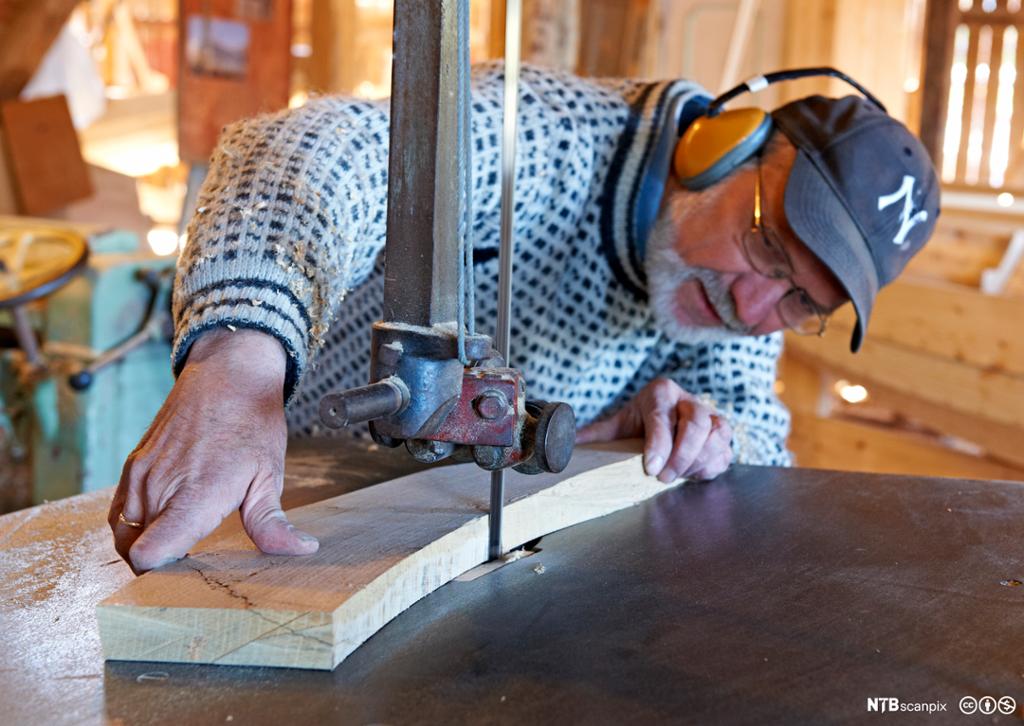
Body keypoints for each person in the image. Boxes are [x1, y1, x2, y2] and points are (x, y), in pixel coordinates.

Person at [109, 63, 939, 573]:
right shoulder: (550, 139)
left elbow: (761, 429)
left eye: (802, 303)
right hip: (302, 494)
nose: (756, 310)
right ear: (718, 145)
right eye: (766, 246)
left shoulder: (737, 306)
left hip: (476, 550)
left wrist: (705, 435)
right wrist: (240, 363)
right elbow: (312, 150)